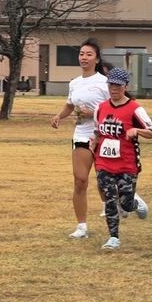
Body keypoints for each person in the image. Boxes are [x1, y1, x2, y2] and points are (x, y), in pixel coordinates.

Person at [90, 67, 152, 251]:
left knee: (125, 204)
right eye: (111, 85)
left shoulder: (135, 109)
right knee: (110, 198)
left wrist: (137, 131)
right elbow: (98, 130)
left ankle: (134, 203)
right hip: (103, 161)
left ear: (125, 86)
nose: (114, 89)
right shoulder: (101, 107)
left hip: (127, 163)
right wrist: (94, 141)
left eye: (118, 86)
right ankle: (113, 237)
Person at [50, 38, 110, 238]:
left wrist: (92, 113)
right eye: (82, 54)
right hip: (82, 134)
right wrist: (59, 116)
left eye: (89, 54)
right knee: (80, 180)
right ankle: (82, 226)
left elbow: (113, 110)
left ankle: (122, 205)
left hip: (103, 135)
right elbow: (70, 105)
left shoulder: (104, 82)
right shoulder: (74, 83)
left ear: (97, 59)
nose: (84, 57)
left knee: (104, 181)